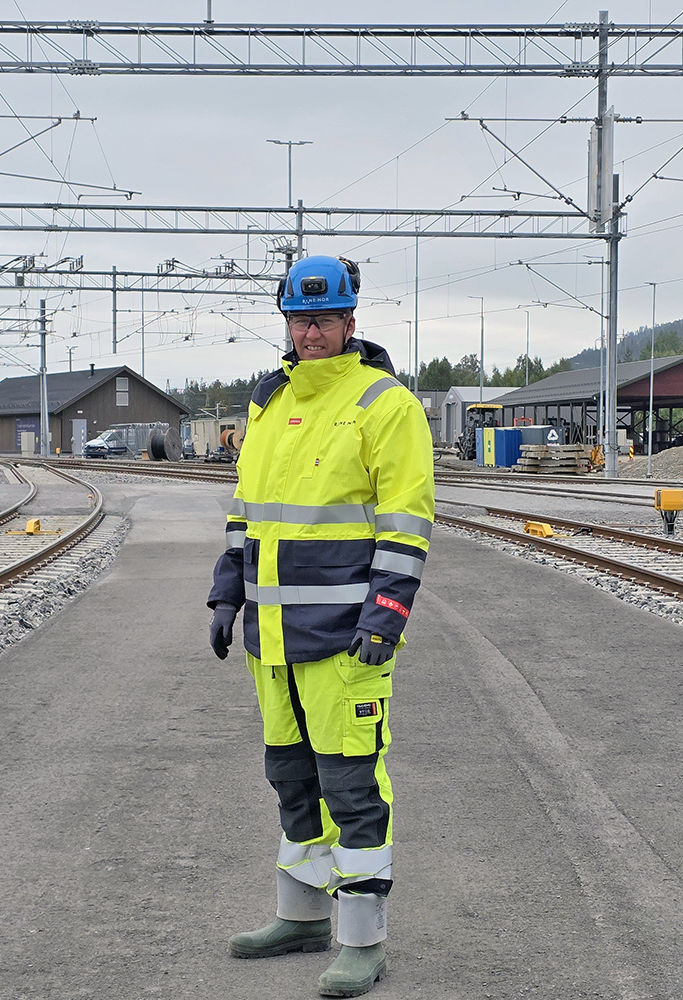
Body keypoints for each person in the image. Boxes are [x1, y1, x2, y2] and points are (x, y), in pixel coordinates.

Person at [207, 255, 434, 997]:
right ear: (287, 323)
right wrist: (225, 592)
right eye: (301, 320)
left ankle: (362, 941)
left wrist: (387, 616)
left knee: (351, 785)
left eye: (325, 319)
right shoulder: (270, 402)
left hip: (345, 638)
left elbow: (405, 524)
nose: (311, 332)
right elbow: (248, 511)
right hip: (271, 638)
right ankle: (302, 917)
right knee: (290, 778)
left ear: (351, 323)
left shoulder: (385, 404)